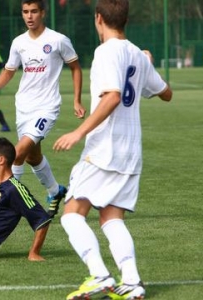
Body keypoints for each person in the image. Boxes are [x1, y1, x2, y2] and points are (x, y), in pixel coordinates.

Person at [51, 0, 172, 299]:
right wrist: (148, 63)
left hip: (104, 149)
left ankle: (99, 275)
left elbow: (113, 97)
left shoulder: (106, 51)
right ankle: (131, 281)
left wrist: (78, 132)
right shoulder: (137, 54)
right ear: (126, 19)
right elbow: (166, 93)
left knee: (71, 214)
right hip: (131, 152)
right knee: (111, 218)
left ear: (99, 18)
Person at [0, 0, 85, 218]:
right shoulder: (19, 42)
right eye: (25, 12)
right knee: (32, 157)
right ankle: (55, 191)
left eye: (34, 11)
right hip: (24, 107)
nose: (29, 16)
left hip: (47, 108)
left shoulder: (58, 40)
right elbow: (8, 71)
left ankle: (4, 204)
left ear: (43, 13)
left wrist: (76, 100)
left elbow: (75, 67)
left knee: (16, 154)